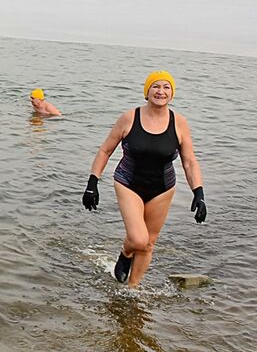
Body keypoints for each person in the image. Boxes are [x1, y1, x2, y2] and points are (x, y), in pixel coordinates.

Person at [82, 70, 207, 288]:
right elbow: (105, 151)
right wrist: (93, 183)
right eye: (155, 87)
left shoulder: (179, 123)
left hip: (163, 188)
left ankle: (132, 290)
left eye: (166, 87)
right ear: (147, 91)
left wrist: (199, 192)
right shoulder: (130, 117)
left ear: (172, 93)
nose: (161, 91)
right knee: (138, 239)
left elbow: (189, 161)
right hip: (128, 183)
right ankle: (126, 251)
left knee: (149, 244)